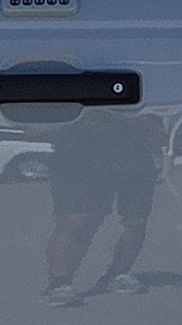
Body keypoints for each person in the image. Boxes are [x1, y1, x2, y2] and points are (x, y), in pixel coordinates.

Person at [42, 104, 163, 303]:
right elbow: (40, 127)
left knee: (137, 221)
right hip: (83, 154)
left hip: (135, 155)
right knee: (78, 220)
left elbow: (156, 126)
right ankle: (59, 283)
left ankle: (117, 274)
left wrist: (152, 133)